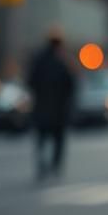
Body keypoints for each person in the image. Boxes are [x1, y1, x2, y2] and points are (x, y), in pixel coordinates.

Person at [27, 31, 76, 179]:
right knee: (58, 139)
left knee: (42, 138)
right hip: (58, 109)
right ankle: (55, 165)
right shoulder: (62, 61)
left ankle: (42, 163)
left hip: (42, 107)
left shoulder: (39, 60)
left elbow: (30, 81)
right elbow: (70, 85)